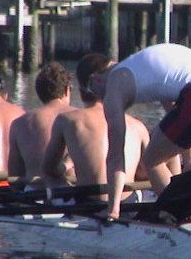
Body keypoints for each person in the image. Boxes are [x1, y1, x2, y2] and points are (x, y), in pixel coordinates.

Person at [86, 43, 191, 219]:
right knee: (179, 150)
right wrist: (189, 165)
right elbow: (183, 126)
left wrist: (113, 209)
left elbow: (115, 153)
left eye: (92, 92)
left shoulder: (114, 81)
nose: (98, 97)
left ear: (94, 79)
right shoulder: (143, 69)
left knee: (151, 160)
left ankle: (181, 214)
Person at [42, 53, 151, 202]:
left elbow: (49, 169)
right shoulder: (138, 126)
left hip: (87, 204)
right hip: (128, 205)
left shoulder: (67, 121)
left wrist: (66, 166)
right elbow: (146, 172)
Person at [8, 62, 75, 184]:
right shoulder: (79, 117)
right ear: (67, 90)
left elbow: (15, 180)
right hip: (71, 195)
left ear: (39, 93)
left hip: (34, 194)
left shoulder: (19, 123)